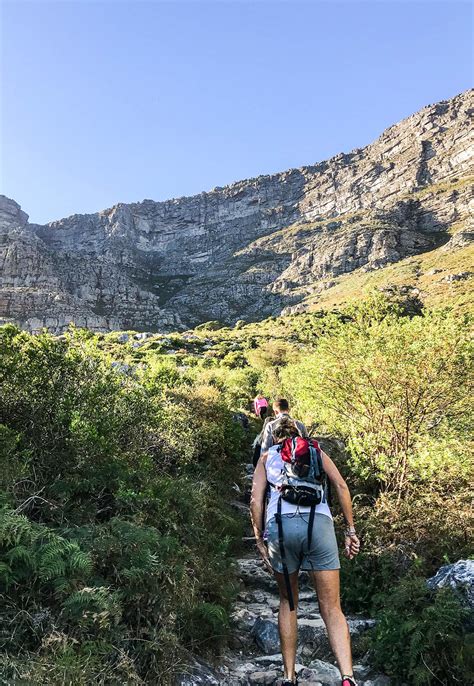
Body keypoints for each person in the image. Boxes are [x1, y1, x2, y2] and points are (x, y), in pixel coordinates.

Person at [250, 417, 361, 686]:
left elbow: (255, 500)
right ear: (300, 434)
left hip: (282, 528)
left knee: (289, 602)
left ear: (274, 436)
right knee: (332, 607)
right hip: (320, 525)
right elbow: (342, 486)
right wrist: (350, 530)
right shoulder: (315, 451)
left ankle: (288, 677)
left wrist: (259, 540)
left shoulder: (266, 458)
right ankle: (348, 677)